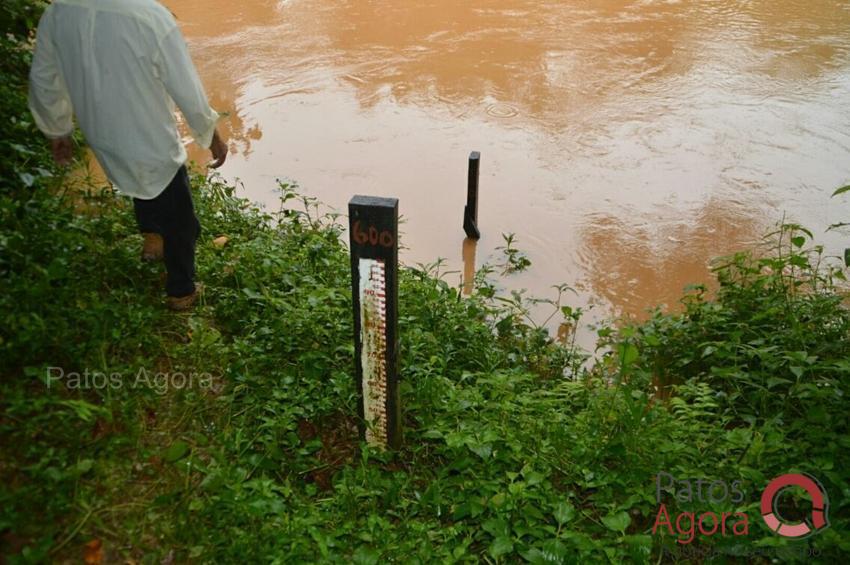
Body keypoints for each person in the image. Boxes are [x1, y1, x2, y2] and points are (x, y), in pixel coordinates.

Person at [28, 0, 228, 311]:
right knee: (182, 222)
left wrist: (58, 130)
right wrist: (211, 134)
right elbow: (186, 87)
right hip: (149, 137)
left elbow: (44, 76)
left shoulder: (60, 10)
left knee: (143, 183)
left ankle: (152, 238)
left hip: (101, 134)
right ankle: (181, 290)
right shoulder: (151, 17)